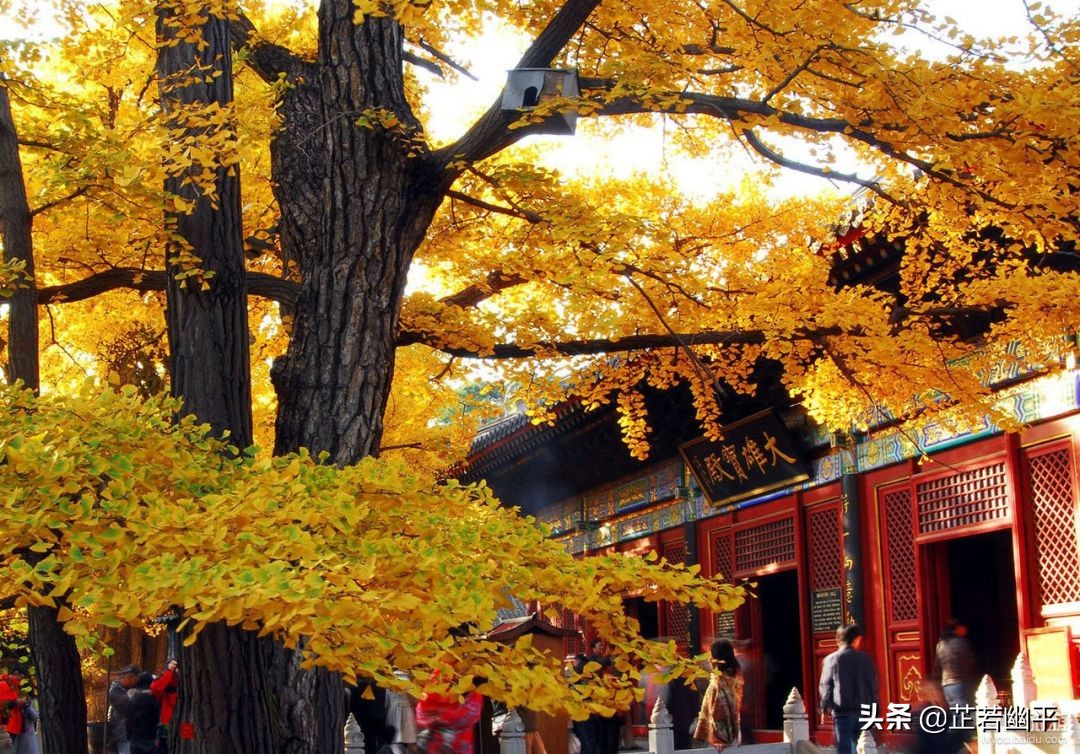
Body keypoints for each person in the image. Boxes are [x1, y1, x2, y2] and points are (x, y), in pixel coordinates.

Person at [819, 624, 878, 754]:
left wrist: (825, 707)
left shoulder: (831, 660)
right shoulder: (866, 659)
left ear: (838, 640)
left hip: (843, 714)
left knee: (845, 749)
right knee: (865, 747)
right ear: (856, 639)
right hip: (865, 713)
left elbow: (826, 685)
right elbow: (873, 687)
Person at [414, 671, 483, 754]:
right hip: (437, 744)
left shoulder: (469, 684)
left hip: (457, 744)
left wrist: (438, 718)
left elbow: (422, 711)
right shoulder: (438, 677)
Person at [692, 640, 743, 752]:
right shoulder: (735, 678)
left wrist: (720, 740)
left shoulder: (719, 683)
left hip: (719, 741)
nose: (709, 660)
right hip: (733, 735)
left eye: (711, 656)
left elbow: (720, 712)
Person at [108, 665, 140, 754]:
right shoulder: (115, 692)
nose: (136, 682)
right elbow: (130, 709)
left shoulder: (122, 691)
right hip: (123, 734)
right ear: (129, 677)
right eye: (135, 679)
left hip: (128, 733)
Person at [128, 672, 161, 754]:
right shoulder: (153, 700)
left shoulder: (131, 699)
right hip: (150, 739)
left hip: (135, 739)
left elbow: (127, 720)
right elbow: (158, 719)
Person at [150, 658, 179, 754]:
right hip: (166, 720)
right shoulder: (164, 678)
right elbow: (155, 688)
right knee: (164, 744)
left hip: (181, 718)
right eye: (172, 664)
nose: (174, 666)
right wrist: (169, 672)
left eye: (176, 665)